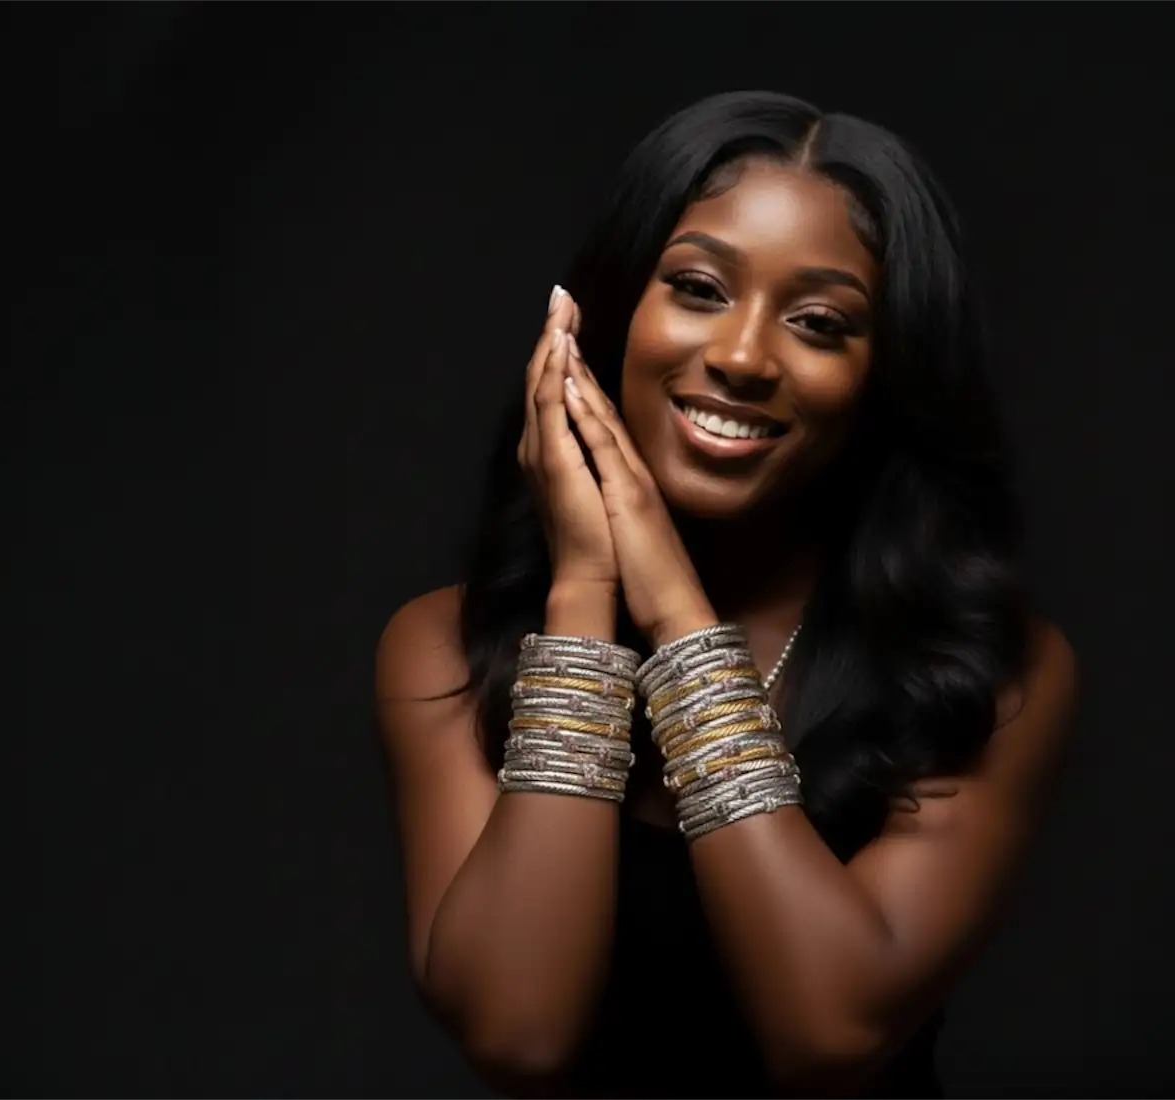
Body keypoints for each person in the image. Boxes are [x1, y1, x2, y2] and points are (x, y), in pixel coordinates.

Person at [374, 90, 1078, 1099]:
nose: (744, 356)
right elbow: (519, 1033)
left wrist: (674, 608)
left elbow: (826, 1032)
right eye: (698, 288)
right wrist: (587, 585)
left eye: (819, 321)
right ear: (608, 314)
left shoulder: (986, 673)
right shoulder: (442, 644)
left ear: (884, 376)